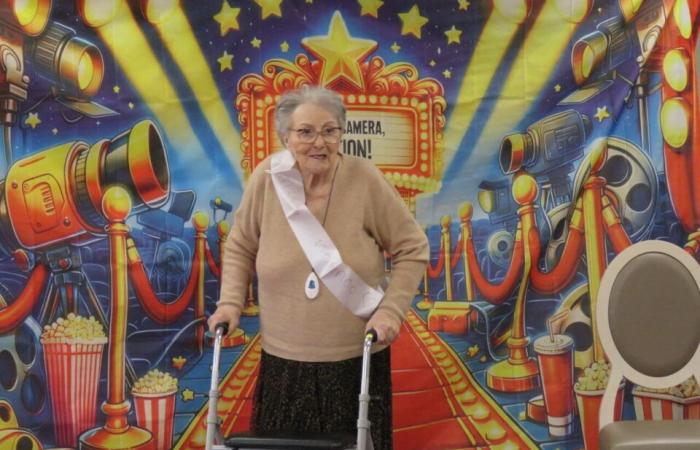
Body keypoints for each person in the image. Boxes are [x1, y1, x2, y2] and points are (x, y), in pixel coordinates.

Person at [208, 85, 428, 450]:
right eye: (305, 132)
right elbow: (240, 246)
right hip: (283, 364)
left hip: (355, 363)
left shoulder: (364, 178)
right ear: (285, 136)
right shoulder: (267, 178)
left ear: (342, 133)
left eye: (330, 131)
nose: (319, 143)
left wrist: (391, 310)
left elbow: (413, 248)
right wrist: (230, 302)